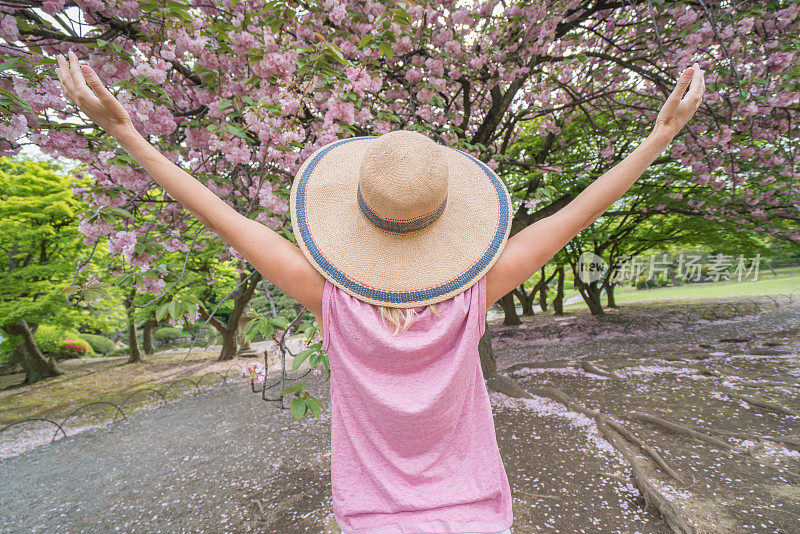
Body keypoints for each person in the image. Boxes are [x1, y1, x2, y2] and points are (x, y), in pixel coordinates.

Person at [54, 49, 704, 533]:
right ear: (448, 222)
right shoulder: (475, 295)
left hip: (371, 519)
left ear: (356, 221)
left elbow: (226, 217)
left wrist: (127, 133)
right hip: (476, 514)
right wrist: (658, 137)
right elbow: (572, 218)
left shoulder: (327, 299)